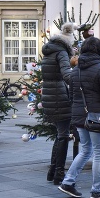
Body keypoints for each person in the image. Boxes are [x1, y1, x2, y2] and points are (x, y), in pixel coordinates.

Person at [58, 36, 100, 198]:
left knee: (85, 150)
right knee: (99, 152)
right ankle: (97, 190)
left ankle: (68, 182)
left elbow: (73, 94)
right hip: (98, 116)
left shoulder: (76, 69)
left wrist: (76, 112)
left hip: (80, 116)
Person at [41, 22, 76, 185]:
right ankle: (59, 174)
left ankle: (52, 171)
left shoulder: (50, 50)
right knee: (63, 135)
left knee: (60, 134)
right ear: (68, 41)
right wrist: (80, 80)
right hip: (59, 97)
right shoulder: (62, 53)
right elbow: (67, 76)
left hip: (49, 96)